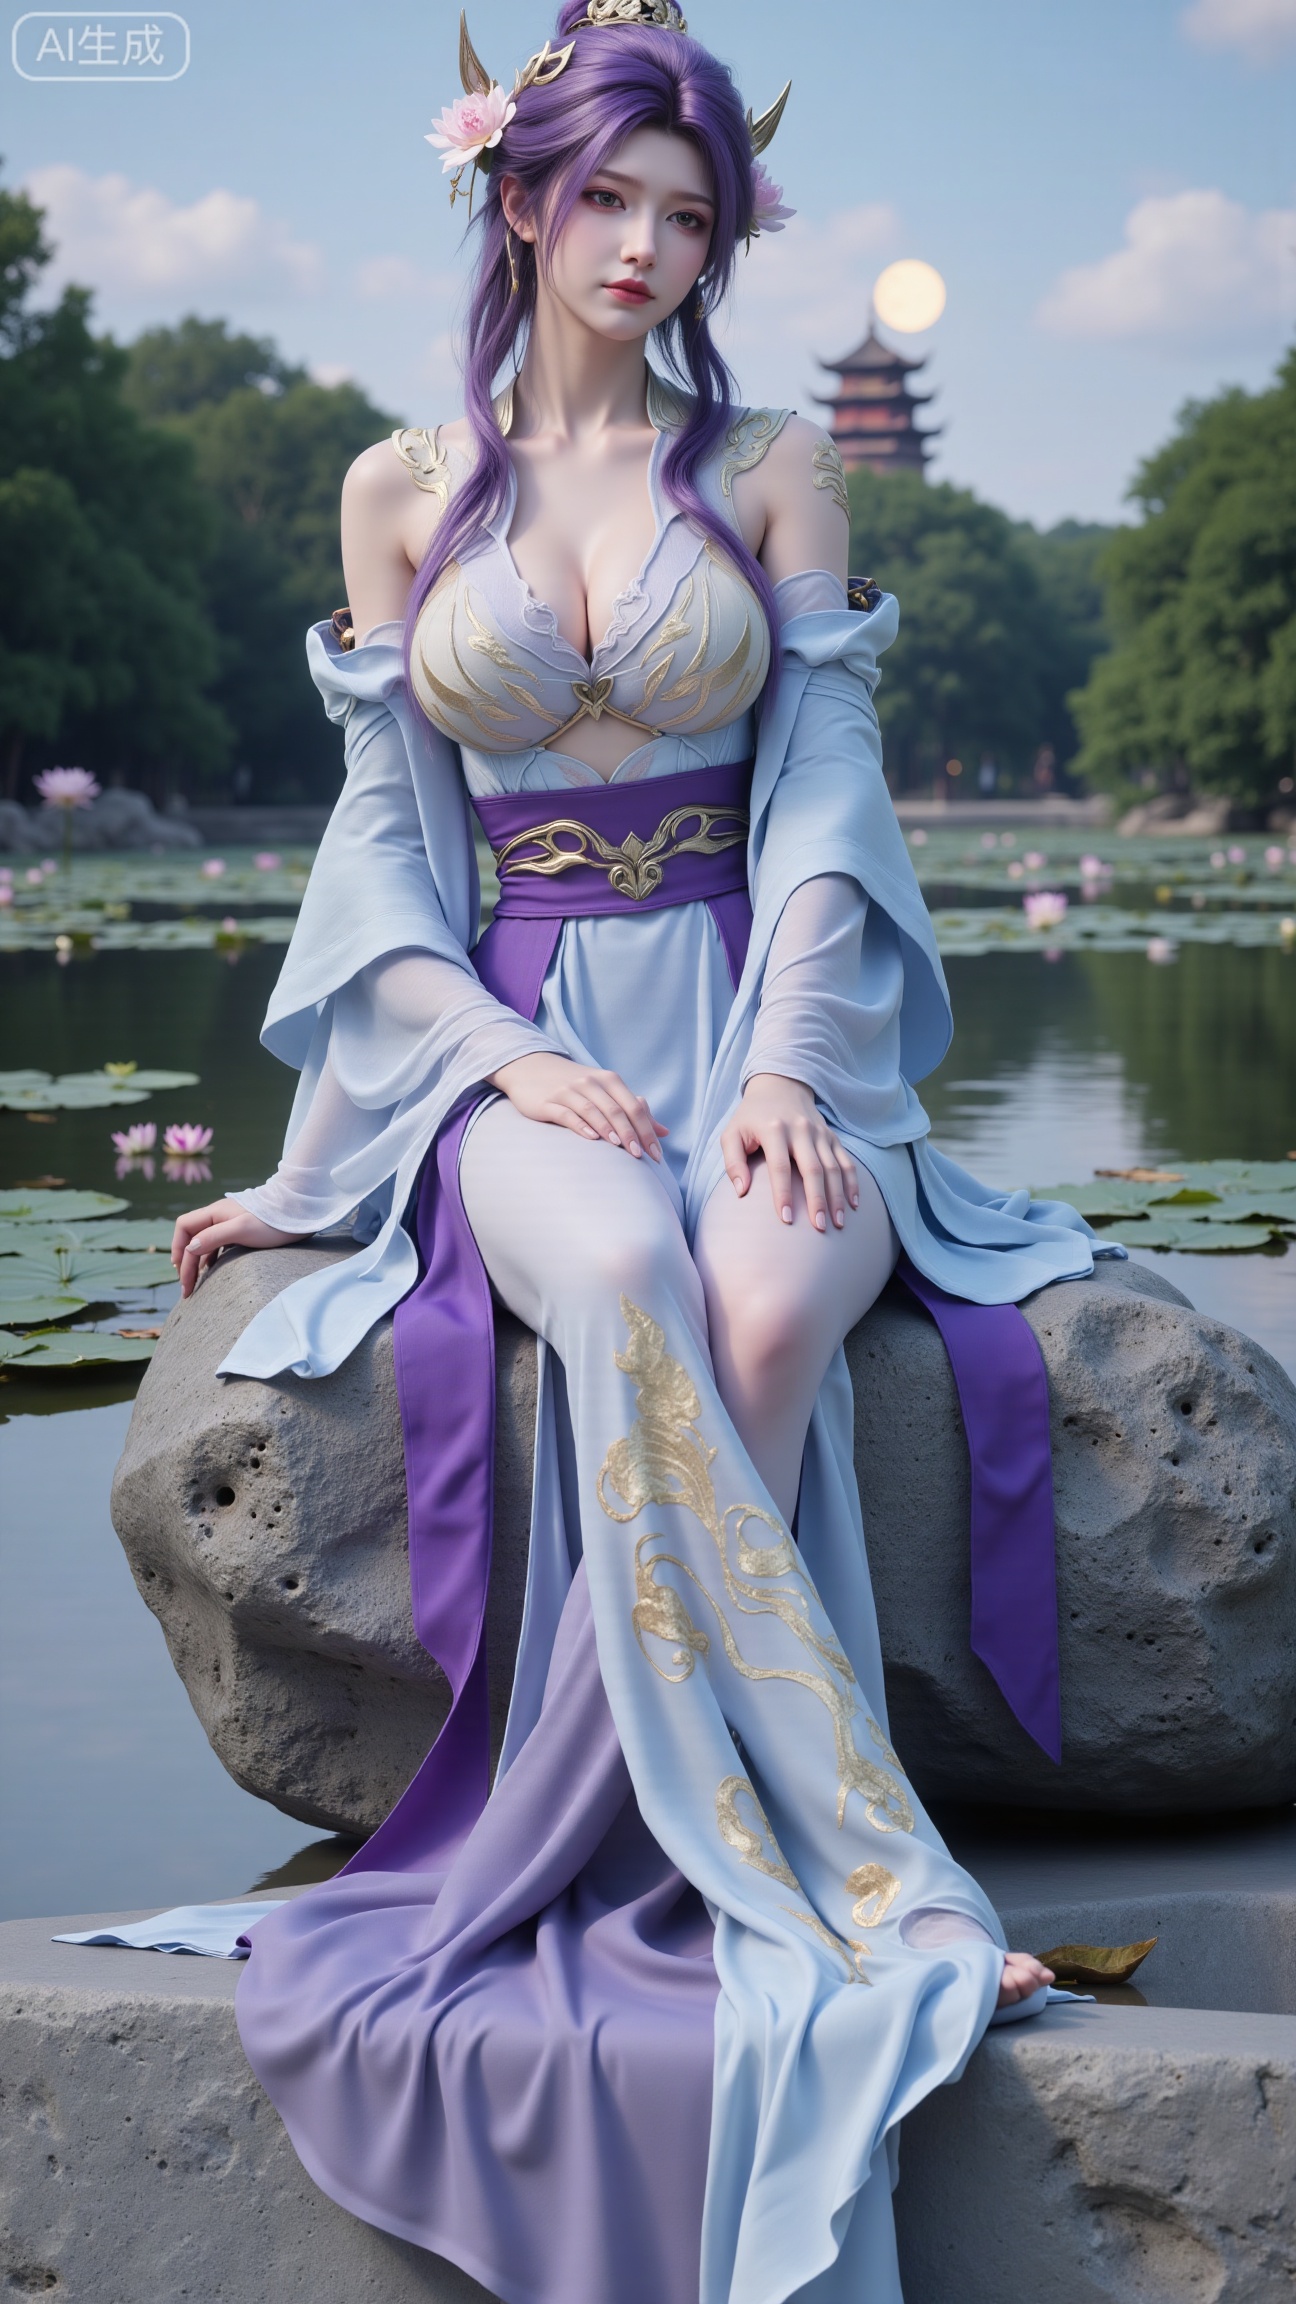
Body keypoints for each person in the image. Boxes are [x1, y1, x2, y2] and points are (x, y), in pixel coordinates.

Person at [170, 7, 1102, 2298]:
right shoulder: (405, 486)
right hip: (516, 1053)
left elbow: (827, 795)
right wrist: (458, 1075)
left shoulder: (771, 461)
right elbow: (386, 840)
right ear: (518, 201)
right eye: (609, 201)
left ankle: (595, 1824)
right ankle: (863, 1877)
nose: (649, 250)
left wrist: (791, 1065)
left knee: (769, 1302)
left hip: (764, 1019)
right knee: (622, 1275)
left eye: (691, 219)